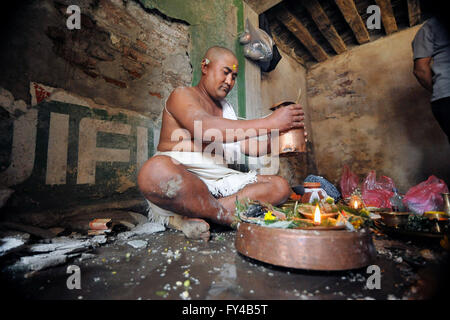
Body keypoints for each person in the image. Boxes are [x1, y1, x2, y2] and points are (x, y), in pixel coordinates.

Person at [137, 46, 305, 240]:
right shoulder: (182, 95)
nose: (229, 81)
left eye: (234, 76)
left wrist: (281, 140)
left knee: (280, 186)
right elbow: (206, 128)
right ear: (205, 67)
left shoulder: (226, 108)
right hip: (183, 181)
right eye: (225, 72)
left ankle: (199, 213)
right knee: (154, 171)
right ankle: (224, 215)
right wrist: (271, 122)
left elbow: (250, 147)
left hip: (220, 184)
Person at [412, 12, 450, 143]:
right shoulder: (430, 27)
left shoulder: (429, 28)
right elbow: (420, 71)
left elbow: (420, 70)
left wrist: (439, 91)